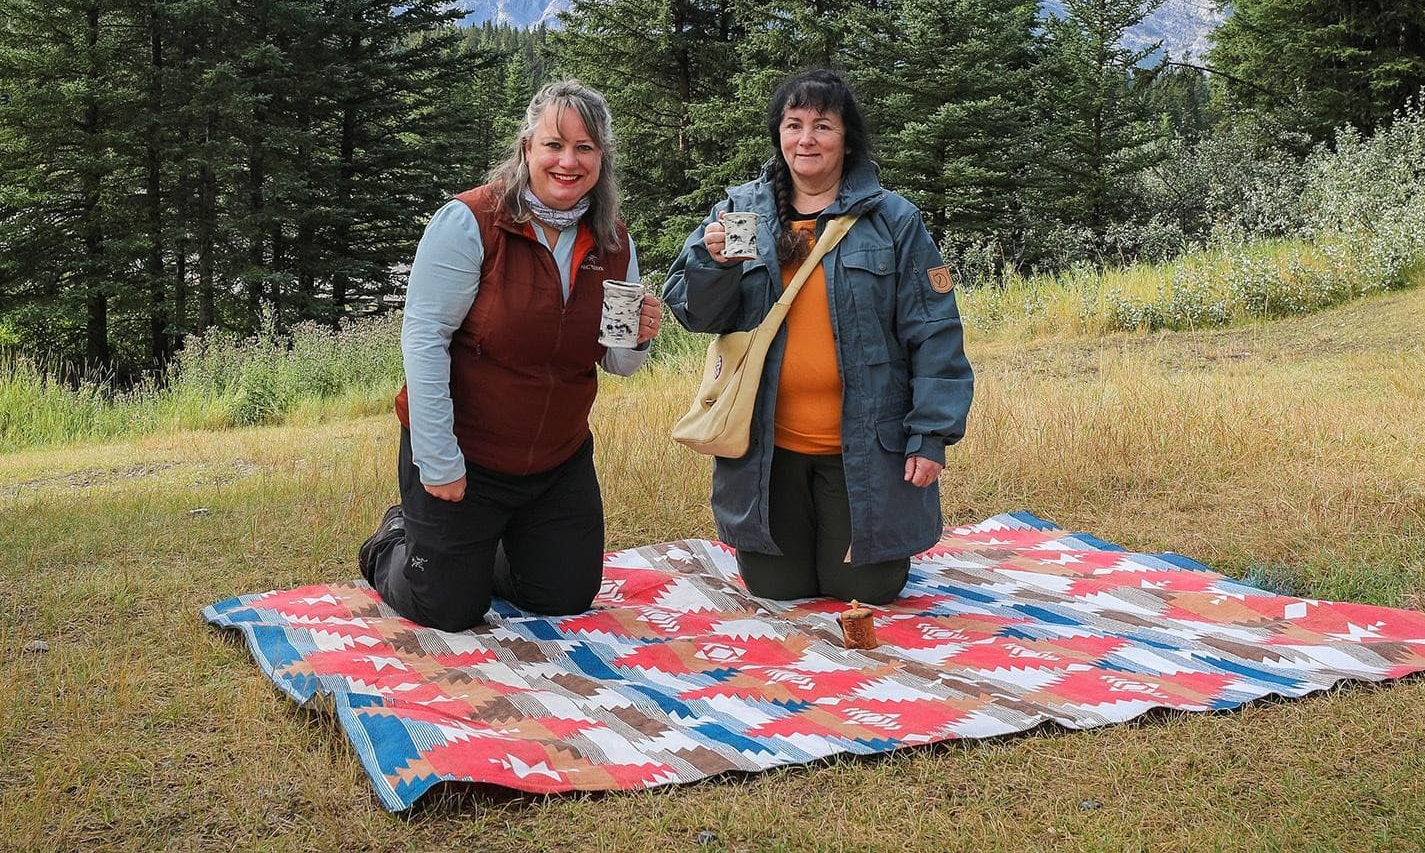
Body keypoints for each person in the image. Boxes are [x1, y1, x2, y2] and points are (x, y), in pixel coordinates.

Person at [358, 80, 664, 631]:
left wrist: (638, 336)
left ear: (602, 159)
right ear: (527, 148)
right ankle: (394, 539)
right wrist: (439, 459)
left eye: (585, 148)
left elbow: (618, 363)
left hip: (556, 460)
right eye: (554, 144)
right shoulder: (470, 221)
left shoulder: (613, 239)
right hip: (466, 454)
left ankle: (478, 552)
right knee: (447, 608)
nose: (568, 161)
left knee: (564, 597)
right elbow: (423, 342)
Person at [663, 69, 973, 605]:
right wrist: (711, 263)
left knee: (867, 588)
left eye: (822, 126)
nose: (806, 139)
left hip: (865, 450)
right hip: (766, 449)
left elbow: (936, 331)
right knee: (776, 587)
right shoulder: (739, 213)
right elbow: (696, 314)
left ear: (846, 137)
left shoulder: (894, 221)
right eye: (793, 124)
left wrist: (931, 435)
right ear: (778, 134)